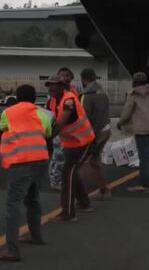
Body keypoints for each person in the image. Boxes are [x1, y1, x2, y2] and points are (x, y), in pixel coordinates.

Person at [0, 85, 52, 262]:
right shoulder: (43, 114)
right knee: (33, 199)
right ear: (34, 98)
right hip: (41, 159)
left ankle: (12, 249)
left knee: (13, 204)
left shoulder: (9, 112)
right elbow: (47, 133)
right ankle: (36, 235)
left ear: (17, 97)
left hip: (21, 161)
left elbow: (1, 130)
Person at [45, 75, 96, 222]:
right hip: (70, 143)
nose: (50, 88)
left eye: (54, 85)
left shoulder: (69, 100)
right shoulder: (52, 101)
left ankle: (68, 213)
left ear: (62, 86)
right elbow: (48, 120)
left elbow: (60, 123)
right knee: (72, 172)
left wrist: (46, 137)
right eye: (48, 85)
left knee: (67, 174)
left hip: (83, 142)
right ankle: (84, 204)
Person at [117, 72, 149, 193]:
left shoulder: (133, 95)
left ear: (134, 82)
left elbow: (126, 113)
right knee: (146, 156)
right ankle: (145, 180)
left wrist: (120, 123)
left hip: (142, 131)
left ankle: (144, 185)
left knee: (144, 158)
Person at [79, 68, 112, 200]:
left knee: (77, 163)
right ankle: (104, 190)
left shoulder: (86, 96)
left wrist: (87, 137)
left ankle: (80, 195)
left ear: (83, 79)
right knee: (94, 161)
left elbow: (84, 119)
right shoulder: (102, 93)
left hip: (94, 132)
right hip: (106, 129)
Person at [47, 67, 78, 191]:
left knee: (65, 158)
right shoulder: (54, 95)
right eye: (61, 75)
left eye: (67, 75)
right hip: (60, 130)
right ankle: (56, 180)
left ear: (71, 77)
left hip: (71, 131)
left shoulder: (74, 93)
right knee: (58, 157)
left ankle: (60, 179)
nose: (64, 78)